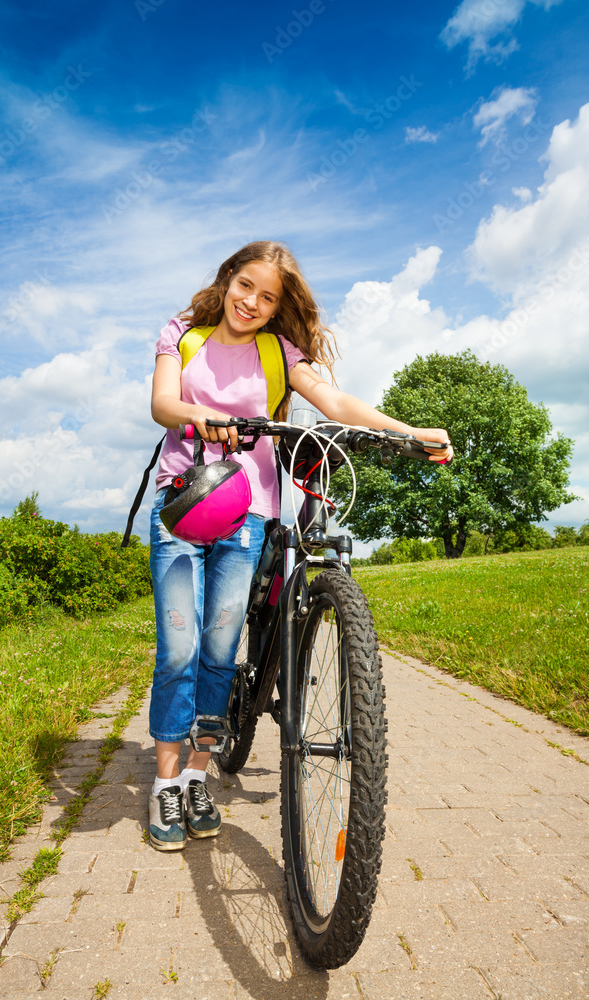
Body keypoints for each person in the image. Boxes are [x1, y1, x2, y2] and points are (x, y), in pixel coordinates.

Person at [147, 240, 453, 850]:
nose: (252, 303)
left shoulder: (279, 353)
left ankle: (197, 775)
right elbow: (161, 403)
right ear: (227, 278)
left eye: (267, 297)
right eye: (245, 287)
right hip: (182, 505)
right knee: (179, 647)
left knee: (218, 647)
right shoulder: (182, 334)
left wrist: (405, 430)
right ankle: (164, 787)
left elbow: (335, 403)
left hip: (247, 513)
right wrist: (199, 415)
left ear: (279, 307)